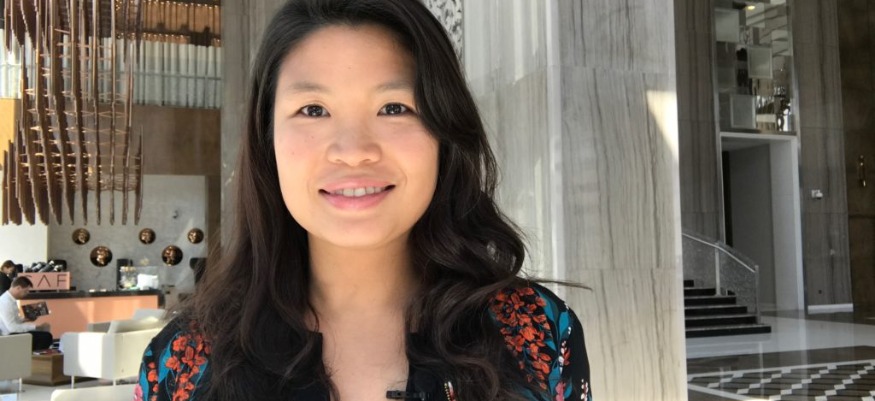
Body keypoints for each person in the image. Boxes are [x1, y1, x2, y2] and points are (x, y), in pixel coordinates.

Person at [137, 1, 591, 400]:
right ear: (266, 140)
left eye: (394, 108)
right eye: (313, 110)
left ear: (443, 134)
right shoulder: (182, 362)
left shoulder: (538, 332)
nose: (353, 151)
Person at [0, 277, 53, 350]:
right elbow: (12, 328)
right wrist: (36, 327)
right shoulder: (6, 302)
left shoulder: (11, 300)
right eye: (26, 291)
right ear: (18, 288)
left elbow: (14, 320)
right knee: (46, 337)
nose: (27, 293)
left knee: (44, 333)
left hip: (12, 332)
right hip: (9, 336)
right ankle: (34, 356)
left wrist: (25, 319)